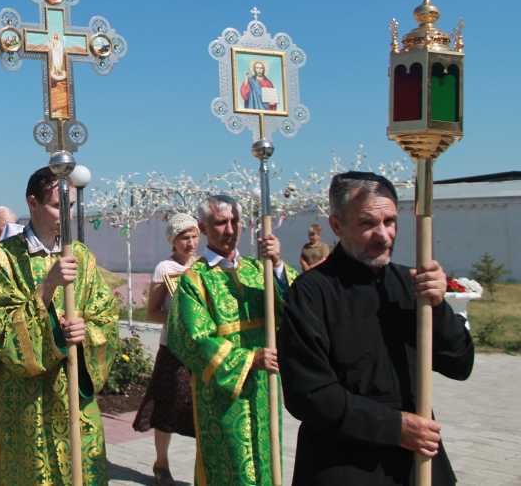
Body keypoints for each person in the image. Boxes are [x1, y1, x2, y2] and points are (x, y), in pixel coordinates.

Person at [278, 172, 474, 485]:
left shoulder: (410, 285)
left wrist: (438, 307)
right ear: (337, 226)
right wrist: (393, 427)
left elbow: (459, 363)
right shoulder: (311, 293)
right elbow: (308, 394)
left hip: (416, 464)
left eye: (390, 221)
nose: (383, 235)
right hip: (344, 462)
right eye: (368, 223)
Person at [0, 167, 119, 485]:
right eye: (56, 205)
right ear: (33, 203)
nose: (64, 215)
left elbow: (105, 318)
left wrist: (85, 334)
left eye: (70, 206)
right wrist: (48, 286)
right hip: (27, 399)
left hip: (73, 393)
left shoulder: (81, 256)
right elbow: (0, 334)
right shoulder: (3, 258)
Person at [165, 194, 298, 486]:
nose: (230, 229)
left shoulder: (258, 270)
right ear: (203, 227)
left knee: (268, 459)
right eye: (220, 223)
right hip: (222, 395)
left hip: (265, 388)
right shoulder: (194, 280)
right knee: (230, 467)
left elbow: (297, 308)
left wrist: (277, 264)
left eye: (235, 221)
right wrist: (250, 359)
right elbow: (193, 339)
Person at [133, 214, 201, 486]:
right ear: (174, 240)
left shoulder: (204, 266)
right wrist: (180, 323)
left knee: (200, 410)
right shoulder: (165, 268)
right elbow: (152, 313)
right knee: (166, 408)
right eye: (185, 237)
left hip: (202, 350)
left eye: (195, 235)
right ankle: (161, 463)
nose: (191, 242)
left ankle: (203, 468)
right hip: (173, 349)